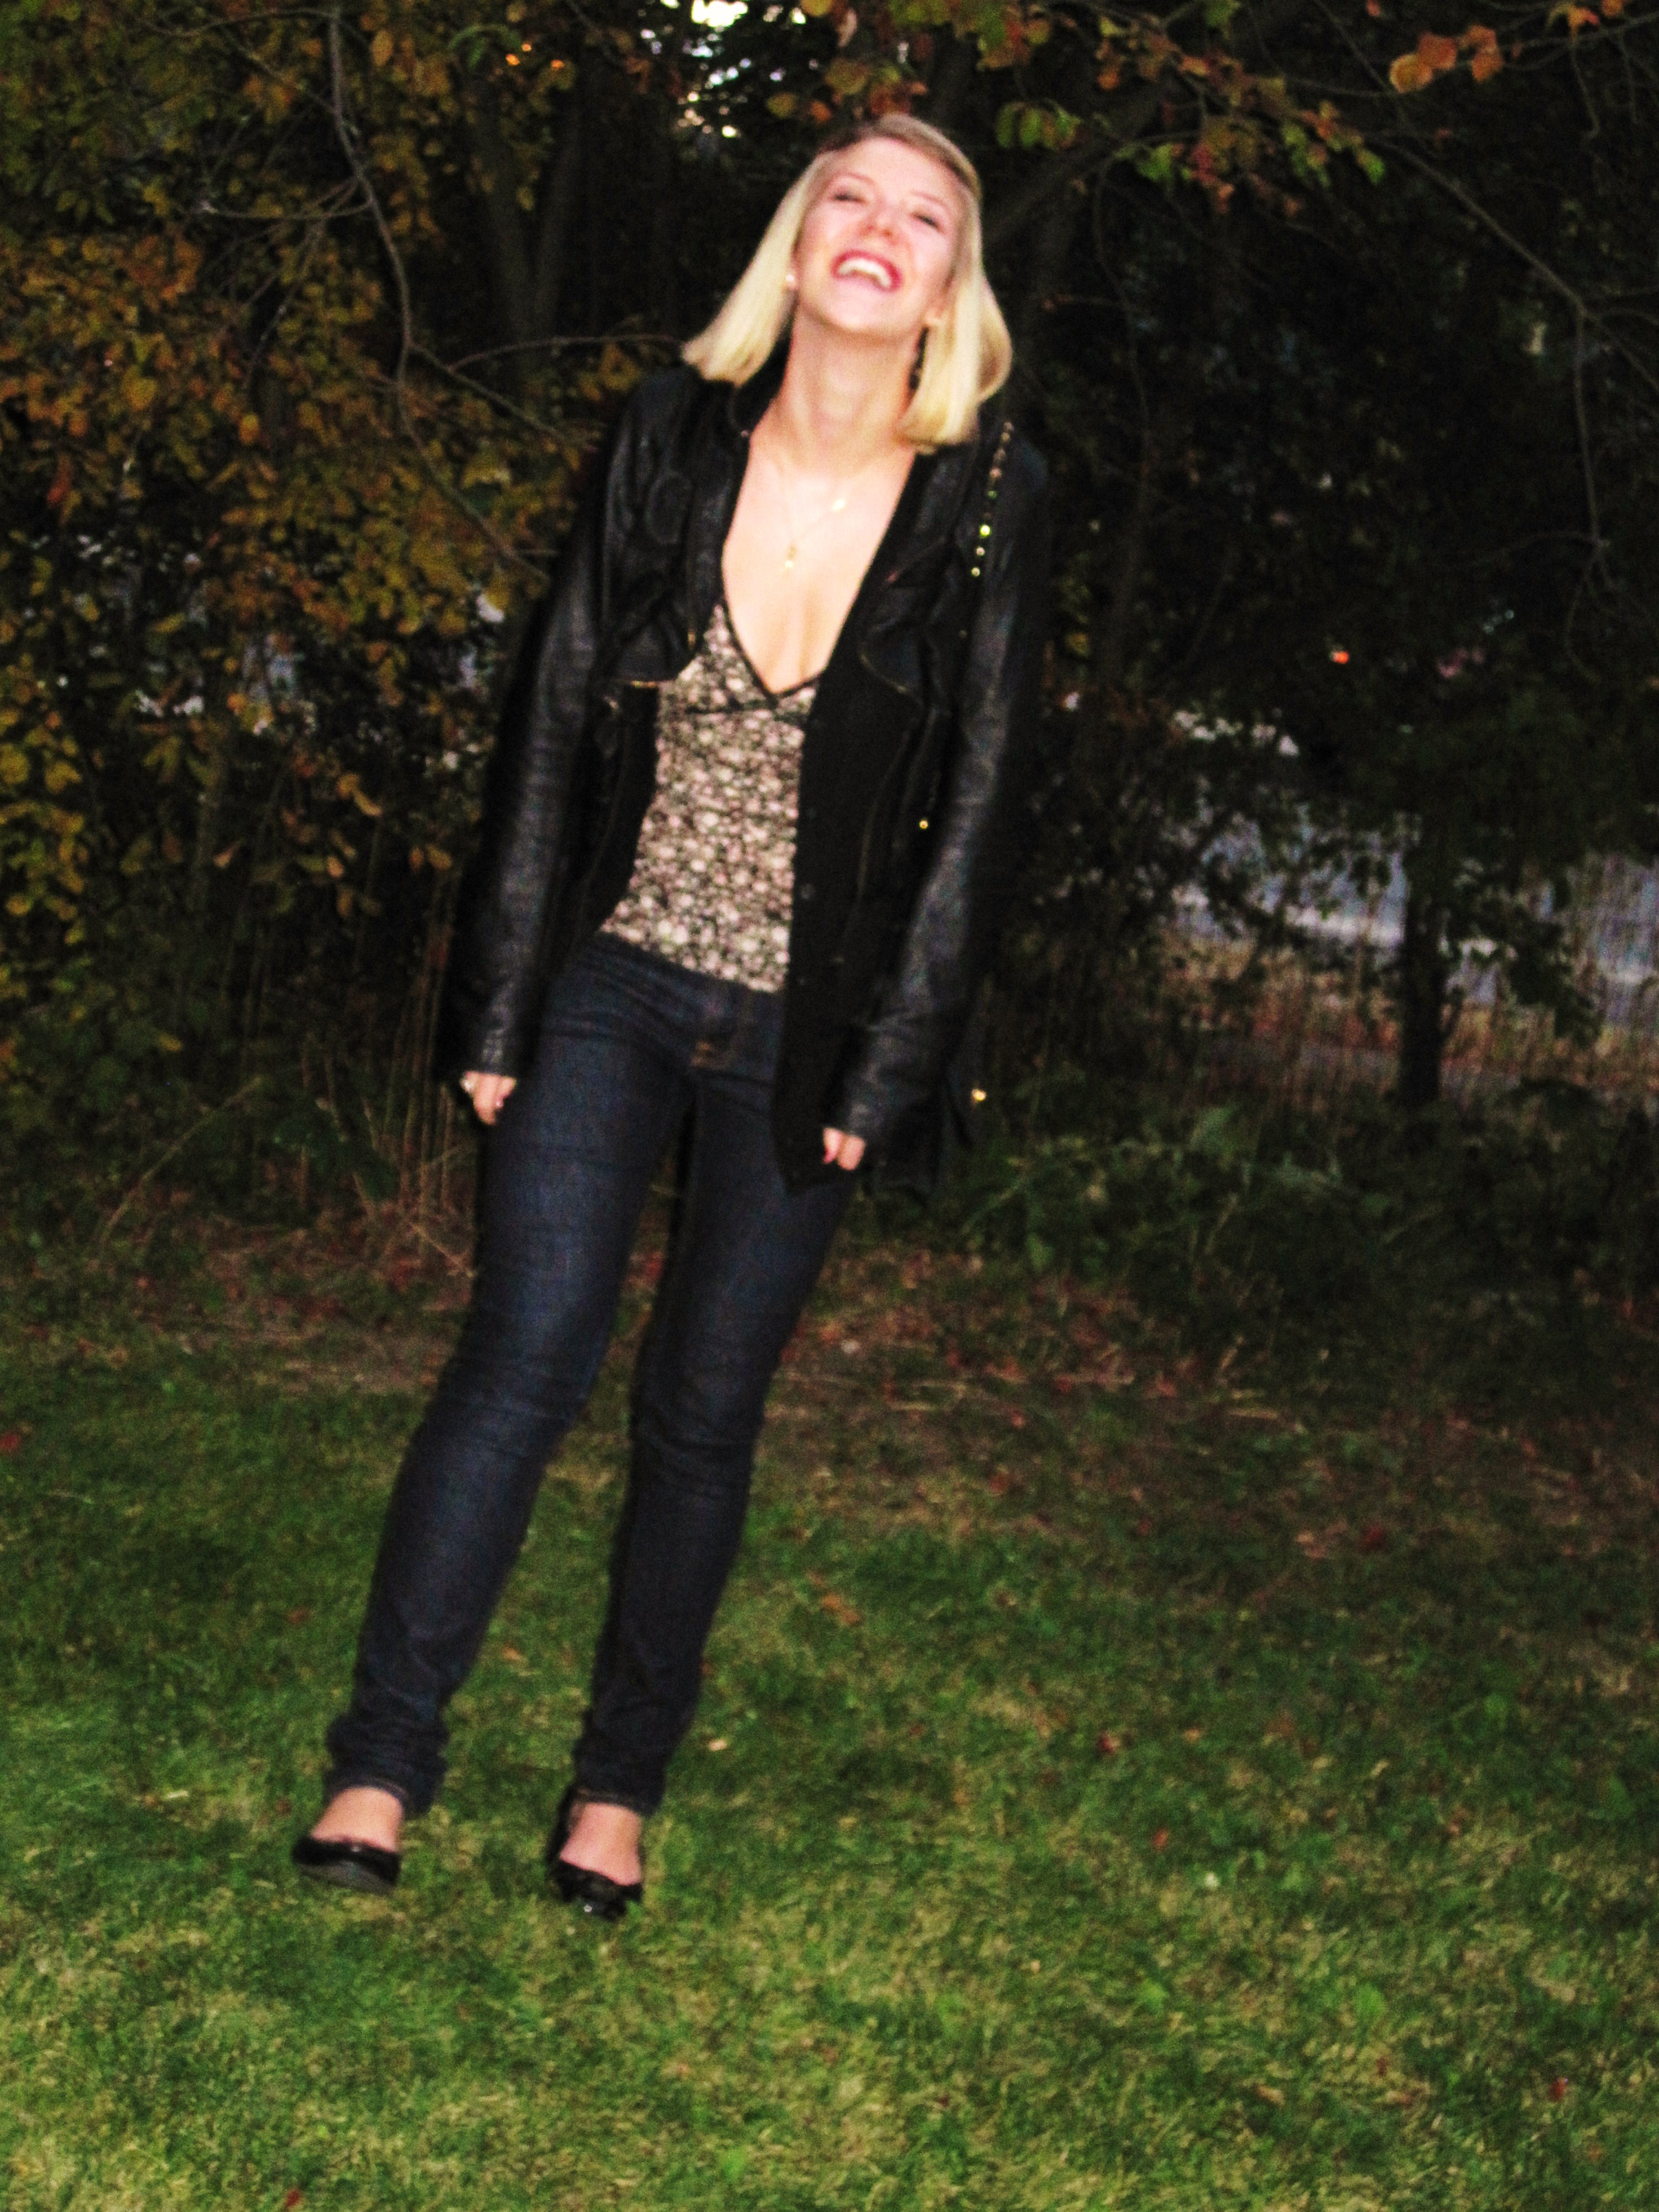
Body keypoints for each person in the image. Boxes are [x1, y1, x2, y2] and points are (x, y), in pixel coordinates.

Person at [292, 114, 1050, 1917]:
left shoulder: (990, 498)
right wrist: (499, 1000)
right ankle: (381, 1765)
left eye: (924, 219)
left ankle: (616, 1794)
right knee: (521, 1359)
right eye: (850, 197)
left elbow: (989, 795)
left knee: (703, 1411)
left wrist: (890, 1060)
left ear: (949, 289)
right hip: (613, 982)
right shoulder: (667, 439)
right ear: (798, 241)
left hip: (812, 1025)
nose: (880, 229)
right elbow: (553, 715)